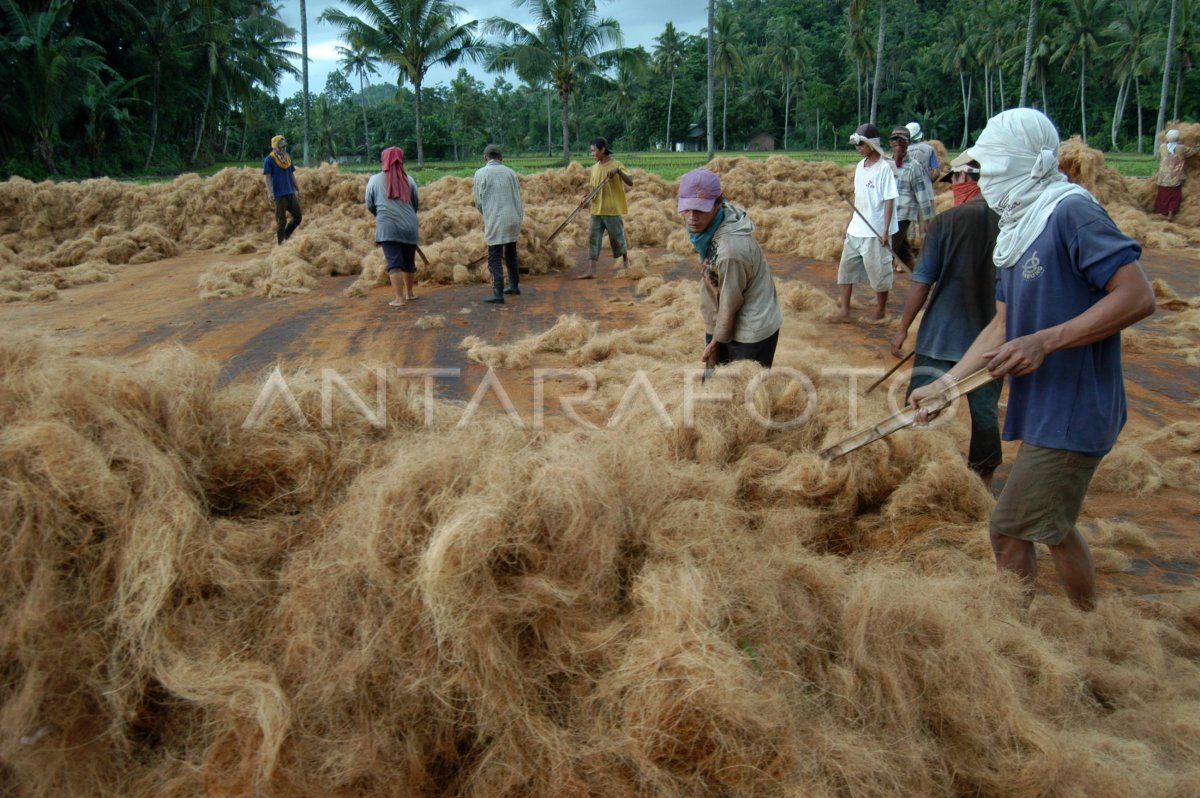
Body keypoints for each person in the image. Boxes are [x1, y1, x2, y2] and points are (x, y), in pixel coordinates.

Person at [911, 109, 1155, 612]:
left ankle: (1017, 638)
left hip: (1075, 408)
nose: (986, 180)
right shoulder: (1016, 229)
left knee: (1006, 532)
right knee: (1055, 527)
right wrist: (946, 384)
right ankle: (1088, 621)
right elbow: (1001, 325)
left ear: (1028, 165)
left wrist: (1045, 341)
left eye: (995, 169)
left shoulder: (1070, 211)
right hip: (1046, 406)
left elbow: (1136, 296)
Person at [891, 153, 1001, 490]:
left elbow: (922, 281)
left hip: (942, 334)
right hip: (993, 337)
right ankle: (983, 484)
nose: (952, 187)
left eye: (953, 180)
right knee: (985, 416)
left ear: (965, 179)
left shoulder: (945, 222)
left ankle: (918, 477)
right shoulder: (1012, 220)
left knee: (922, 408)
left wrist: (902, 327)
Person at [677, 168, 783, 369]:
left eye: (699, 209)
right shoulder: (711, 223)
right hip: (724, 309)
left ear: (718, 204)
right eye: (686, 209)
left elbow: (730, 301)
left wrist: (717, 341)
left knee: (742, 388)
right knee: (714, 381)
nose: (691, 217)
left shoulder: (730, 251)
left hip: (751, 328)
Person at [835, 123, 898, 322]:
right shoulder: (859, 167)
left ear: (872, 144)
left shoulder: (884, 168)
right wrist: (848, 223)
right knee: (846, 270)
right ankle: (844, 311)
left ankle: (880, 312)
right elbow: (858, 198)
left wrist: (885, 231)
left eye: (861, 144)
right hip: (857, 228)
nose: (858, 148)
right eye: (856, 145)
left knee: (879, 274)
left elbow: (889, 200)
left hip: (876, 231)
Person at [365, 146, 420, 307]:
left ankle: (399, 298)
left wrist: (380, 215)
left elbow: (369, 203)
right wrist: (407, 218)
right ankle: (410, 294)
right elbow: (415, 203)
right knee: (409, 262)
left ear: (384, 160)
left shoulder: (375, 180)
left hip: (387, 227)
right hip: (410, 226)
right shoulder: (409, 180)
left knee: (394, 263)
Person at [473, 144, 525, 304]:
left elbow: (478, 201)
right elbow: (518, 196)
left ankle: (498, 292)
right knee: (511, 252)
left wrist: (487, 215)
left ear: (485, 157)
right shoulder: (510, 172)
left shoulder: (481, 173)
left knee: (494, 256)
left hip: (496, 218)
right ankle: (514, 285)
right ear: (501, 158)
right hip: (513, 217)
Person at [577, 137, 634, 279]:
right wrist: (586, 197)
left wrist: (618, 172)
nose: (592, 154)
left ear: (602, 150)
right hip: (596, 210)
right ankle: (591, 270)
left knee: (617, 237)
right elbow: (593, 188)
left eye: (594, 150)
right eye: (591, 151)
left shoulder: (616, 164)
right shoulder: (594, 168)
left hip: (611, 209)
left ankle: (627, 263)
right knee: (593, 238)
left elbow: (631, 182)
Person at [888, 126, 934, 273]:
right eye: (896, 142)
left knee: (887, 253)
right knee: (904, 253)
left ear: (908, 144)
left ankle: (881, 291)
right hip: (888, 213)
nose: (899, 145)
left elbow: (922, 193)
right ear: (891, 144)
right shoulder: (886, 165)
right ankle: (921, 279)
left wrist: (927, 219)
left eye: (902, 142)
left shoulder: (913, 167)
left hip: (903, 215)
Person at [263, 135, 302, 245]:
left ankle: (286, 235)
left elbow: (291, 174)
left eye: (285, 146)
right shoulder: (269, 160)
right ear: (275, 147)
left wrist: (297, 189)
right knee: (281, 221)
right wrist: (270, 193)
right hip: (279, 195)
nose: (284, 148)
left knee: (298, 217)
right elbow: (267, 177)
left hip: (290, 192)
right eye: (281, 146)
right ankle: (280, 244)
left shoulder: (288, 158)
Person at [1153, 128, 1198, 221]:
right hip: (1175, 178)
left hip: (1163, 178)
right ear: (1178, 138)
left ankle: (1162, 213)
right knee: (1174, 196)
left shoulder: (1162, 147)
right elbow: (1193, 151)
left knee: (1163, 196)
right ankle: (1170, 213)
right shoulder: (1181, 148)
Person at [905, 121, 941, 186]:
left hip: (907, 189)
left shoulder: (901, 151)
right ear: (920, 135)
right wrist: (929, 183)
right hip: (925, 188)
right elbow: (936, 173)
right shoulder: (929, 149)